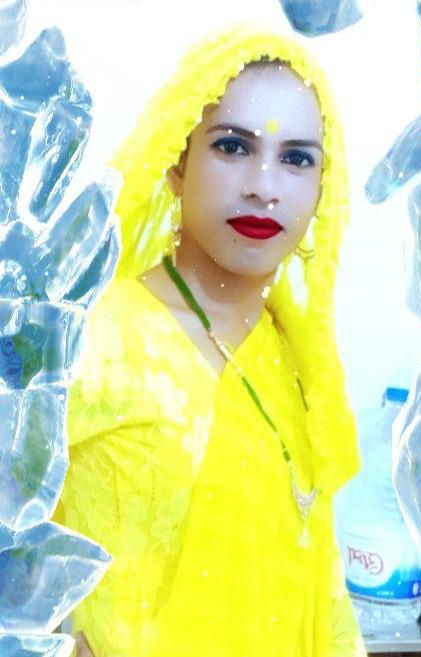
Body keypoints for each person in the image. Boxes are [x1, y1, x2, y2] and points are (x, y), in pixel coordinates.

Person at [53, 21, 367, 657]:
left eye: (296, 159)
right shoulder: (89, 337)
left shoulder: (298, 365)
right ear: (177, 162)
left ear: (321, 189)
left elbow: (324, 594)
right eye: (232, 146)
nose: (264, 186)